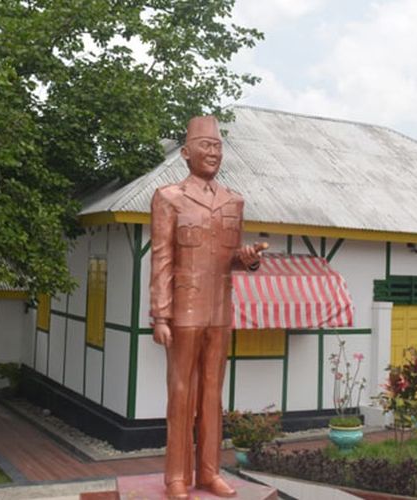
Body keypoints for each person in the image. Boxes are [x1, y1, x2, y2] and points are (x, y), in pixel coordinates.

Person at [149, 115, 262, 499]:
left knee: (213, 394)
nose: (212, 153)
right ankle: (176, 478)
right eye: (205, 146)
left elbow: (228, 258)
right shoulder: (168, 198)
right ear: (185, 152)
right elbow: (162, 259)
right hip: (183, 310)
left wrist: (246, 259)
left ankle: (209, 473)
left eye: (217, 147)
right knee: (181, 393)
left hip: (219, 311)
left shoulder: (234, 200)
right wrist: (159, 314)